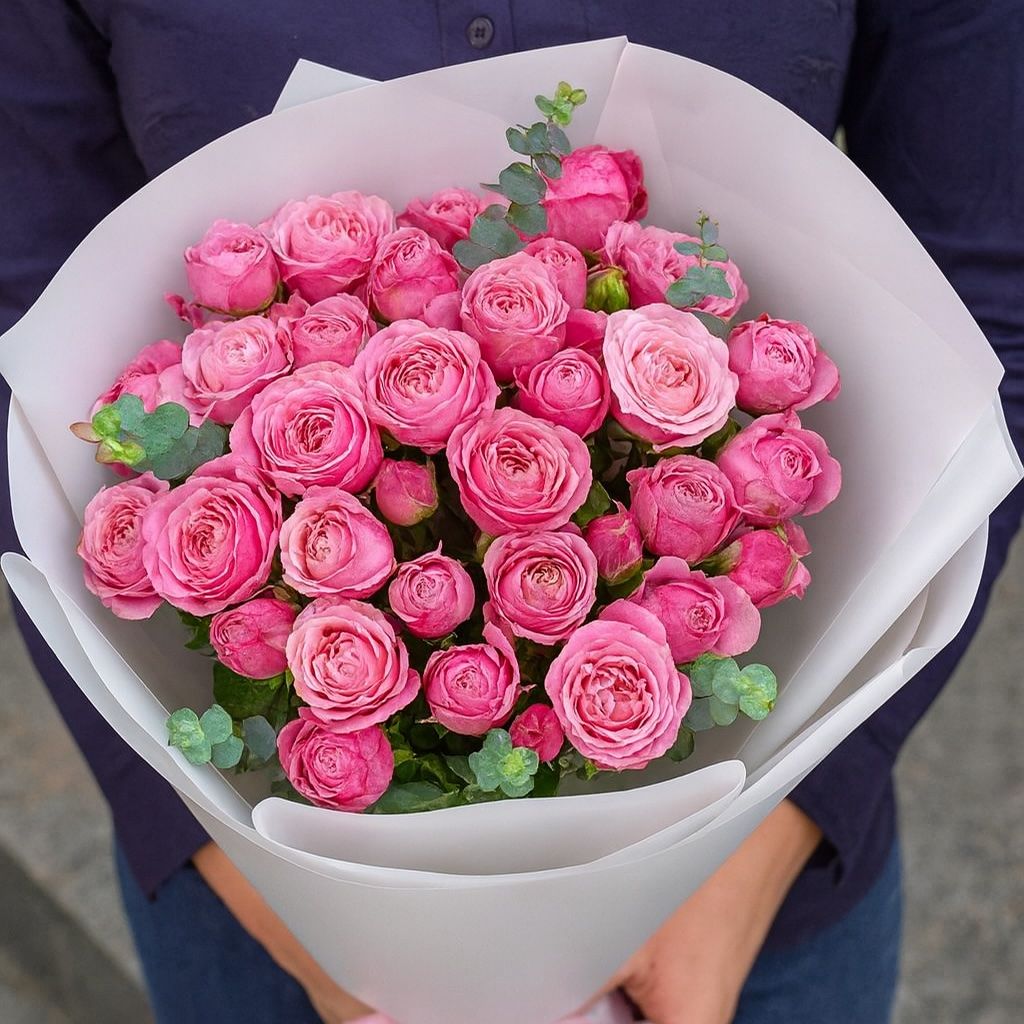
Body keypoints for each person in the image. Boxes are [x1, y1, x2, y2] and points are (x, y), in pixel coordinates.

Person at [1, 2, 1021, 1022]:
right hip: (263, 911)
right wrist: (277, 903)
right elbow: (27, 318)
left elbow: (983, 301)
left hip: (749, 909)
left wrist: (766, 846)